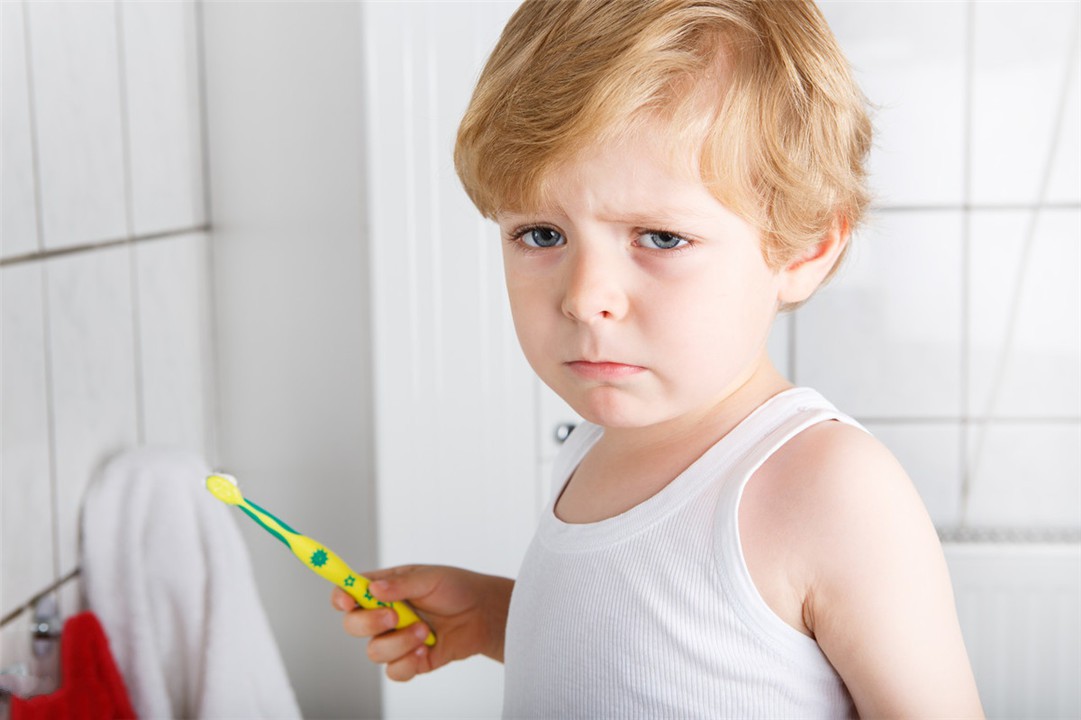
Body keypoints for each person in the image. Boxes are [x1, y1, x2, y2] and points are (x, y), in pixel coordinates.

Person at [332, 0, 985, 716]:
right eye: (542, 235)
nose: (585, 298)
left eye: (661, 238)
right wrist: (494, 617)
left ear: (803, 251)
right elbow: (663, 656)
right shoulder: (593, 446)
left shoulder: (824, 489)